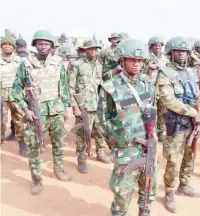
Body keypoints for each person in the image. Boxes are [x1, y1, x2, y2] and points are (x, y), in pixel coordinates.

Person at [97, 38, 158, 216]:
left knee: (149, 190)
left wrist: (151, 135)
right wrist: (118, 144)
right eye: (132, 60)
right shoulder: (110, 87)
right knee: (122, 194)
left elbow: (152, 109)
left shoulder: (147, 83)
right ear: (122, 61)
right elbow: (102, 122)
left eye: (140, 61)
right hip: (126, 150)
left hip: (148, 147)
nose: (137, 64)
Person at [12, 30, 71, 195]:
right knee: (35, 147)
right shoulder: (26, 64)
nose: (43, 47)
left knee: (59, 143)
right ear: (35, 45)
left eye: (46, 44)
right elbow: (16, 91)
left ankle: (59, 170)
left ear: (51, 46)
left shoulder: (58, 63)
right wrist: (26, 110)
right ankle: (37, 179)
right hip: (36, 113)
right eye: (40, 44)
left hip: (56, 111)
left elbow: (64, 87)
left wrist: (65, 107)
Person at [157, 36, 200, 213]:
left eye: (184, 51)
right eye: (178, 51)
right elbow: (168, 100)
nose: (182, 54)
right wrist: (193, 113)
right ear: (171, 52)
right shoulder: (165, 73)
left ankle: (184, 184)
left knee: (190, 156)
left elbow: (199, 98)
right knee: (173, 160)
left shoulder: (192, 72)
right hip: (176, 124)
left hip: (193, 123)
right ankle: (169, 192)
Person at [68, 40, 111, 174]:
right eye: (90, 49)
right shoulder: (76, 65)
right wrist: (75, 107)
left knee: (100, 131)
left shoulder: (99, 64)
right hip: (84, 105)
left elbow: (101, 83)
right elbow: (71, 87)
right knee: (82, 134)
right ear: (85, 50)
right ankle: (81, 159)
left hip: (98, 104)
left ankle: (100, 152)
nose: (93, 51)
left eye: (95, 49)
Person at [0, 33, 29, 157]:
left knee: (20, 121)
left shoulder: (20, 61)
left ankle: (22, 145)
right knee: (1, 122)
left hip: (17, 96)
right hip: (1, 96)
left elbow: (26, 77)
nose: (7, 47)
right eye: (4, 45)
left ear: (13, 47)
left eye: (9, 45)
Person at [145, 36, 169, 142]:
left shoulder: (165, 58)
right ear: (151, 47)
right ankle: (150, 132)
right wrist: (147, 67)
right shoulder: (146, 58)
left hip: (162, 87)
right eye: (156, 45)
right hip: (150, 88)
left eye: (159, 45)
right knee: (150, 111)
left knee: (162, 112)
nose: (158, 47)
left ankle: (160, 132)